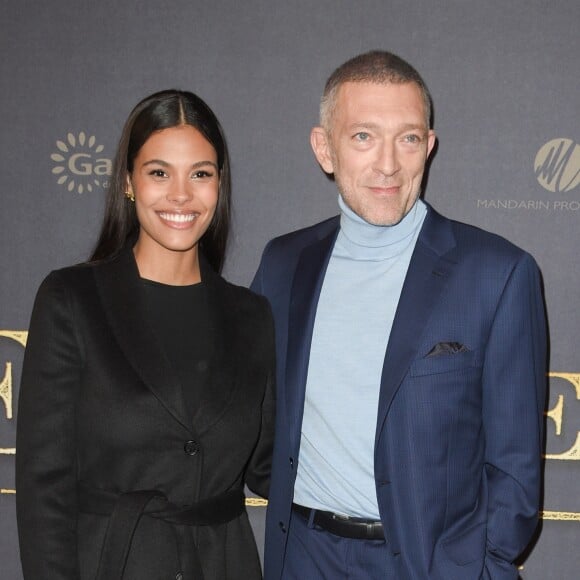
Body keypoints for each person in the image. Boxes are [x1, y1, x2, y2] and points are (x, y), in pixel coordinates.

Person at [252, 51, 547, 579]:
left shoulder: (497, 273)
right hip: (302, 559)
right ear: (325, 148)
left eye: (408, 138)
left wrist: (480, 566)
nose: (388, 164)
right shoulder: (284, 262)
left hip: (429, 566)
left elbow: (516, 467)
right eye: (363, 136)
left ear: (428, 147)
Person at [16, 89, 275, 580]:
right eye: (159, 172)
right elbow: (43, 485)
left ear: (219, 185)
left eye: (200, 173)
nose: (181, 195)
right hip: (111, 564)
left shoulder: (252, 315)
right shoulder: (72, 300)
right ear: (128, 182)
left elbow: (270, 464)